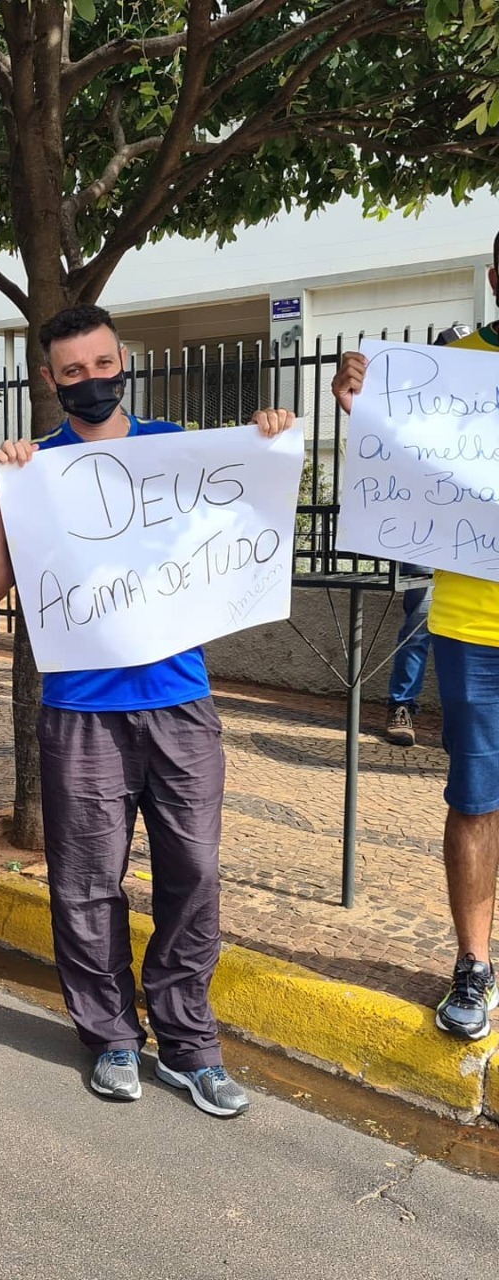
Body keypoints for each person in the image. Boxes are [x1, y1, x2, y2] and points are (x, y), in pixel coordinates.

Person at [0, 304, 294, 1118]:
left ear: (125, 362)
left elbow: (247, 519)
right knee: (85, 884)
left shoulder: (177, 449)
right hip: (79, 709)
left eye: (101, 364)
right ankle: (111, 1036)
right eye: (72, 371)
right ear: (49, 379)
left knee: (195, 876)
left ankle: (190, 1044)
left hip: (180, 704)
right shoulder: (32, 469)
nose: (90, 381)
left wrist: (267, 439)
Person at [332, 232, 499, 1040]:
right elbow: (395, 457)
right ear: (496, 277)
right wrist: (362, 400)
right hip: (473, 626)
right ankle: (473, 964)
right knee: (475, 800)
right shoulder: (447, 367)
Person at [385, 565, 433, 746]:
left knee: (467, 641)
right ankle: (401, 706)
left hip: (477, 565)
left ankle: (468, 720)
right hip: (429, 558)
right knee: (416, 634)